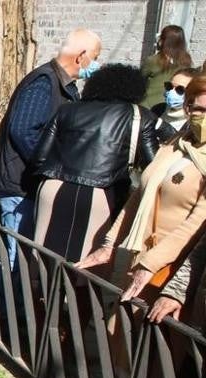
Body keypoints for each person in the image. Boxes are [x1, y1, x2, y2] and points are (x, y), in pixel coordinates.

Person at [78, 74, 206, 304]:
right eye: (198, 110)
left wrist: (152, 263)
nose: (201, 118)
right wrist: (110, 244)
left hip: (172, 270)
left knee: (153, 336)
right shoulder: (179, 142)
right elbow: (140, 194)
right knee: (118, 332)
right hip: (139, 259)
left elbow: (196, 223)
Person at [28, 64, 159, 262]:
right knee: (87, 266)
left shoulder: (67, 110)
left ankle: (40, 293)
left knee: (42, 260)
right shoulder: (140, 116)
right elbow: (154, 166)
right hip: (101, 193)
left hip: (53, 187)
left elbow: (39, 157)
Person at [0, 29, 101, 241]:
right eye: (95, 58)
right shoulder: (44, 82)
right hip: (20, 187)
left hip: (31, 185)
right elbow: (23, 131)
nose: (97, 65)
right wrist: (51, 166)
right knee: (16, 259)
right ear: (81, 56)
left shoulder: (64, 86)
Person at [140, 26, 194, 109]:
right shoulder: (187, 61)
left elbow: (140, 79)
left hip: (149, 106)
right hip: (173, 106)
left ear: (163, 41)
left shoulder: (153, 60)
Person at [152, 68, 195, 141]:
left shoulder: (193, 125)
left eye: (180, 90)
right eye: (169, 86)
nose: (172, 92)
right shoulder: (157, 110)